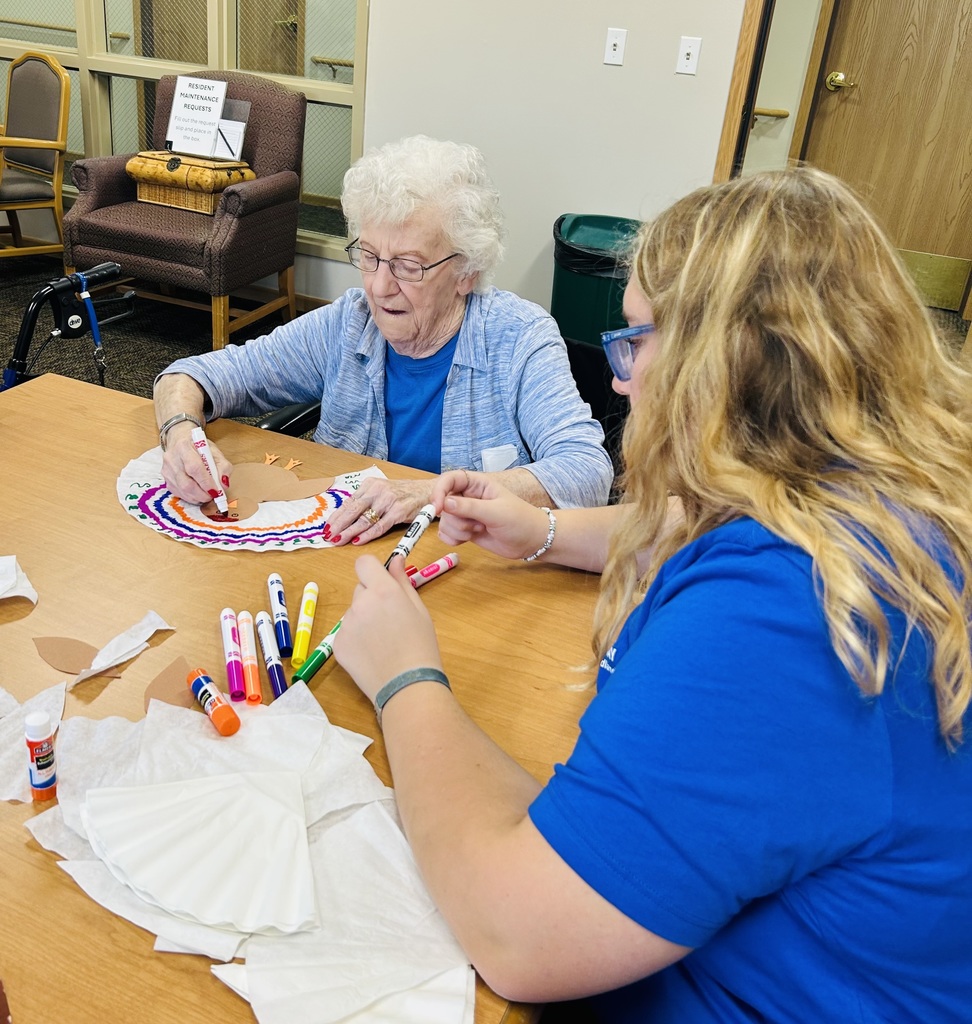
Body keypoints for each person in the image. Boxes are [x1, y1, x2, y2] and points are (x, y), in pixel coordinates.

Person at [329, 166, 972, 1022]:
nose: (621, 379)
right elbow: (683, 520)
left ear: (723, 363)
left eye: (633, 341)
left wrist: (405, 675)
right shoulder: (893, 500)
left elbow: (516, 936)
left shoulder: (787, 613)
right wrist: (548, 532)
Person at [153, 135, 613, 543]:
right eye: (370, 256)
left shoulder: (520, 338)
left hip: (471, 572)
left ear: (466, 272)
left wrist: (436, 494)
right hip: (349, 559)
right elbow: (191, 375)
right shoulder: (348, 323)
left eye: (408, 266)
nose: (379, 286)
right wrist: (180, 434)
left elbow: (587, 471)